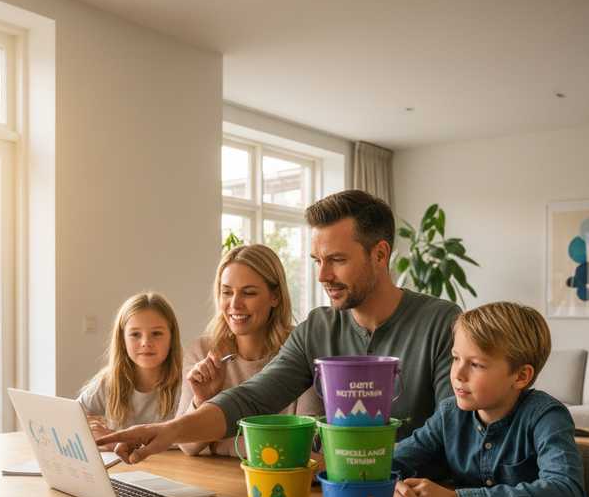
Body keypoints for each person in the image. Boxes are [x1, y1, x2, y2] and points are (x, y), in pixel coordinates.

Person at [99, 190, 460, 464]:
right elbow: (252, 397)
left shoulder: (441, 322)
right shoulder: (316, 329)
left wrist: (350, 463)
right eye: (318, 260)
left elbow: (451, 426)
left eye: (337, 260)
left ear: (379, 255)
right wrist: (170, 430)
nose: (322, 276)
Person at [391, 301, 586, 497]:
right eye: (456, 358)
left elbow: (567, 492)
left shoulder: (546, 417)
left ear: (521, 376)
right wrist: (395, 490)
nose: (457, 374)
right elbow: (390, 463)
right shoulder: (449, 414)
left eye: (476, 364)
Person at [176, 243, 321, 455]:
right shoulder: (201, 351)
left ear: (275, 296)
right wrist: (201, 400)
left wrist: (219, 443)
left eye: (249, 293)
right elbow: (188, 445)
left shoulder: (301, 349)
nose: (235, 304)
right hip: (213, 480)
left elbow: (307, 444)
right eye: (227, 292)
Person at [79, 292, 183, 447]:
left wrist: (116, 441)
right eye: (135, 334)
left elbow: (192, 441)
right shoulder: (107, 382)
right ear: (122, 340)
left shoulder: (186, 384)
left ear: (171, 337)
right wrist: (94, 432)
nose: (146, 342)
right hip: (122, 470)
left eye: (156, 333)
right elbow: (71, 420)